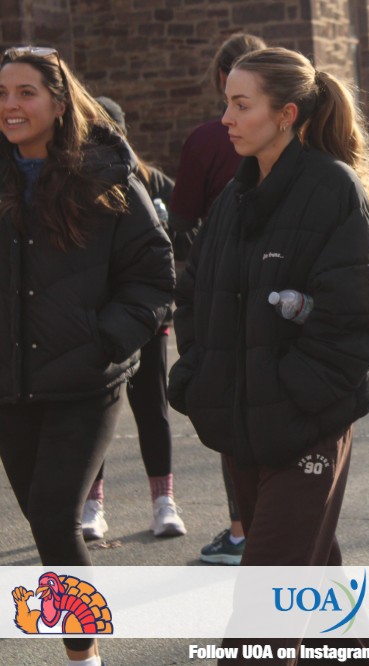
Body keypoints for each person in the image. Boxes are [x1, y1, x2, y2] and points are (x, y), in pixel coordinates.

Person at [168, 46, 369, 666]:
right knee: (317, 588)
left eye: (242, 105)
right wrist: (201, 377)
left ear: (286, 114)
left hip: (306, 427)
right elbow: (193, 295)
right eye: (226, 104)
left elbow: (357, 322)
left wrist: (294, 395)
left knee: (261, 613)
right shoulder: (233, 197)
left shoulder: (331, 189)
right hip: (244, 431)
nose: (226, 119)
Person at [0, 45, 173, 666]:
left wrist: (104, 342)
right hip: (11, 383)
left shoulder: (105, 173)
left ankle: (84, 656)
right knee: (45, 522)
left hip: (85, 380)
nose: (11, 105)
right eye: (2, 94)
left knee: (54, 517)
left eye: (25, 92)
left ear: (58, 102)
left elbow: (153, 275)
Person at [169, 32, 266, 565]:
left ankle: (243, 530)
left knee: (236, 411)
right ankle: (264, 527)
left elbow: (181, 218)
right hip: (278, 288)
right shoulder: (300, 140)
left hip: (229, 292)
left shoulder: (210, 139)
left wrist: (201, 259)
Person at [77, 96, 186, 541]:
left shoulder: (152, 181)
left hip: (146, 317)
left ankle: (164, 502)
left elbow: (189, 234)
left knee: (151, 407)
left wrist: (170, 229)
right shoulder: (76, 184)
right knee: (92, 412)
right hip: (96, 316)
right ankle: (92, 504)